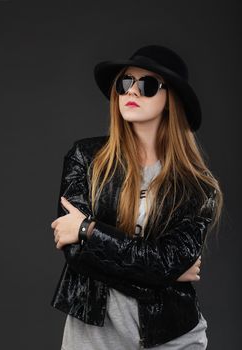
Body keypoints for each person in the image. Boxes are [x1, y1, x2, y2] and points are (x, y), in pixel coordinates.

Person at [50, 44, 223, 349]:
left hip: (172, 338)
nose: (132, 92)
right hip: (92, 340)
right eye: (125, 83)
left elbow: (163, 262)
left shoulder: (198, 188)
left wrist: (88, 230)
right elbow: (76, 255)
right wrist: (161, 273)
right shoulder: (86, 159)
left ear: (172, 100)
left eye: (147, 85)